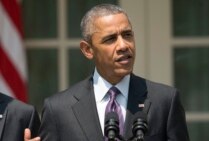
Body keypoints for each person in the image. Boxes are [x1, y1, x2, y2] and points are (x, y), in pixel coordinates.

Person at [39, 4, 189, 141]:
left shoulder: (165, 101)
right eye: (110, 39)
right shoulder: (58, 109)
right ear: (88, 50)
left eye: (127, 35)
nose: (123, 45)